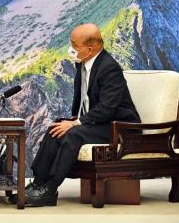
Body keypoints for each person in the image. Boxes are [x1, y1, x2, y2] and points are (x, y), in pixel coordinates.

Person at [18, 23, 140, 207]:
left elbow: (108, 108)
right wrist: (73, 120)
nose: (71, 49)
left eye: (74, 45)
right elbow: (84, 101)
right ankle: (38, 183)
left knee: (74, 134)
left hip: (119, 127)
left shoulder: (109, 68)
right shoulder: (82, 65)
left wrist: (77, 123)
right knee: (56, 128)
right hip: (98, 122)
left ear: (90, 49)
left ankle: (49, 189)